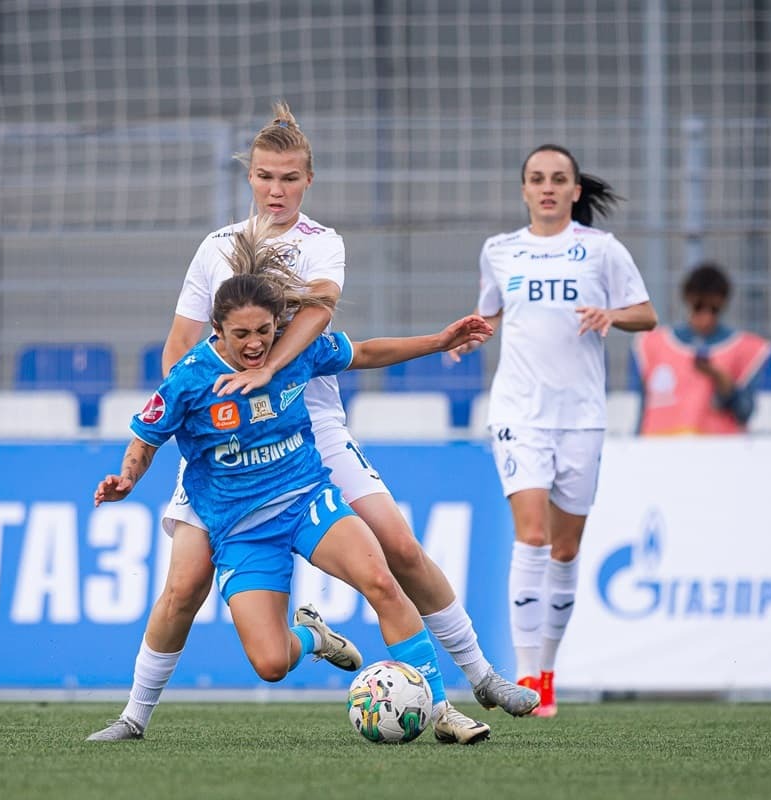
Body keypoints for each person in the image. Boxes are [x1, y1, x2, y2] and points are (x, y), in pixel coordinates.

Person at [89, 102, 539, 744]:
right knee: (184, 586)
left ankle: (478, 678)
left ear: (307, 180)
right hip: (222, 442)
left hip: (310, 423)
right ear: (251, 177)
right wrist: (199, 415)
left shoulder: (321, 243)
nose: (277, 189)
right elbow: (179, 350)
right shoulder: (216, 248)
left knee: (398, 548)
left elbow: (322, 313)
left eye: (290, 178)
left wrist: (269, 370)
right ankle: (135, 717)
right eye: (266, 177)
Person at [451, 144, 658, 717]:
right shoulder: (499, 251)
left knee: (566, 549)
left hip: (582, 417)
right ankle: (524, 675)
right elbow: (491, 314)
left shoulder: (602, 251)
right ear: (524, 190)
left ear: (573, 191)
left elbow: (646, 313)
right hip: (519, 413)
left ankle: (547, 666)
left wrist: (611, 316)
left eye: (558, 179)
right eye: (537, 178)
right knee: (534, 536)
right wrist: (468, 334)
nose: (547, 187)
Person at [633, 262, 771, 435]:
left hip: (716, 453)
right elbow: (643, 408)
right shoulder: (653, 344)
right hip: (662, 449)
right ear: (688, 300)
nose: (706, 316)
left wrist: (722, 381)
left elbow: (745, 412)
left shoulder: (745, 349)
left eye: (714, 309)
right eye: (699, 307)